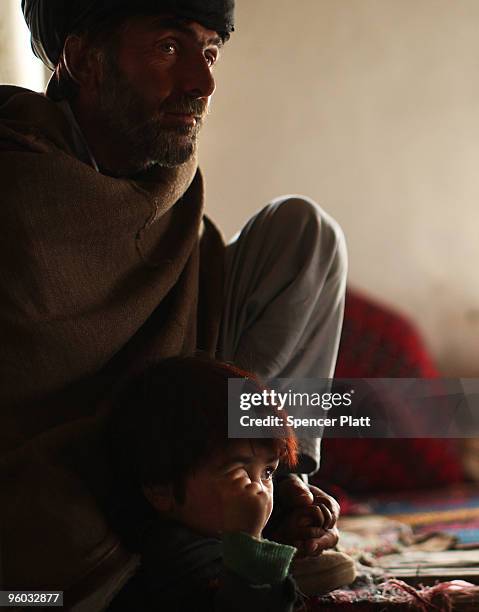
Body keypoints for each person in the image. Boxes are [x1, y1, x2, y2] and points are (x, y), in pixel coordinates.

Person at [0, 0, 347, 607]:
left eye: (210, 52)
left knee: (305, 232)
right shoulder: (19, 182)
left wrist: (274, 473)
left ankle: (263, 482)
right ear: (83, 59)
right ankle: (193, 530)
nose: (203, 81)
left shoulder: (168, 178)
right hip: (71, 468)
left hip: (182, 414)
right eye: (168, 48)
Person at [104, 357, 356, 611]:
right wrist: (250, 541)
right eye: (237, 471)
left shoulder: (203, 524)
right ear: (161, 489)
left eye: (268, 472)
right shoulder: (175, 557)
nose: (260, 491)